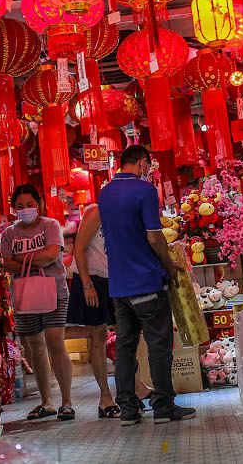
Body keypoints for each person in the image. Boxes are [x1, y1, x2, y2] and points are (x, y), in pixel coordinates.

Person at [97, 144, 196, 427]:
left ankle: (128, 408)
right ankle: (163, 406)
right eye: (148, 166)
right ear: (142, 163)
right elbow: (154, 237)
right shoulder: (145, 190)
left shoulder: (105, 193)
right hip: (146, 281)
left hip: (118, 286)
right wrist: (168, 264)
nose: (149, 171)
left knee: (126, 348)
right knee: (158, 344)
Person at [0, 184, 75, 422]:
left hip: (54, 291)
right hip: (24, 295)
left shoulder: (50, 225)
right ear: (13, 209)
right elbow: (6, 264)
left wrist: (20, 259)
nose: (25, 210)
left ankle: (66, 402)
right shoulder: (9, 233)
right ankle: (46, 402)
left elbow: (51, 256)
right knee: (35, 347)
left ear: (39, 204)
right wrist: (35, 260)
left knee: (55, 342)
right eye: (20, 206)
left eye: (30, 205)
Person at [67, 205, 120, 418]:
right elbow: (78, 248)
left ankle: (135, 387)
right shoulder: (96, 211)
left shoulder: (127, 210)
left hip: (114, 278)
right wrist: (88, 285)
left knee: (126, 334)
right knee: (98, 337)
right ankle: (105, 398)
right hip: (92, 279)